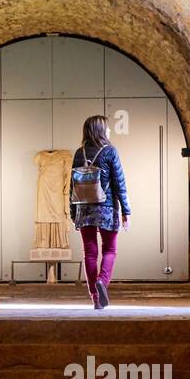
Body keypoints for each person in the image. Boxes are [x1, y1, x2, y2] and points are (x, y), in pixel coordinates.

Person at [69, 115, 130, 309]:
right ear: (101, 130)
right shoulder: (110, 151)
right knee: (110, 249)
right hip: (107, 207)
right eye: (107, 128)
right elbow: (119, 183)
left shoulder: (79, 153)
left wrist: (73, 212)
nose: (110, 131)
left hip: (84, 208)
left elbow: (72, 185)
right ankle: (102, 281)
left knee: (90, 253)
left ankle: (95, 297)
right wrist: (126, 211)